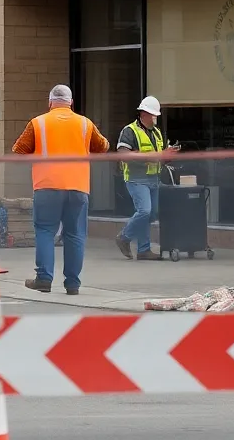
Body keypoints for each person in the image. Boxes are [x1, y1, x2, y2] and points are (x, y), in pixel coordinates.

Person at [11, 84, 109, 295]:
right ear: (71, 103)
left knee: (45, 231)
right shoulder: (85, 124)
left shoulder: (38, 123)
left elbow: (19, 149)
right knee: (75, 234)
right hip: (78, 187)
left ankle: (44, 279)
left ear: (50, 103)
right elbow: (103, 146)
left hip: (46, 186)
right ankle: (73, 284)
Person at [115, 96, 180, 261]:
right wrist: (150, 156)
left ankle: (144, 250)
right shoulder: (129, 131)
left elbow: (159, 156)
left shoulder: (156, 133)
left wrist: (167, 155)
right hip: (136, 179)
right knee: (144, 211)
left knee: (151, 214)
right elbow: (123, 154)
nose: (155, 118)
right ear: (143, 113)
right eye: (152, 115)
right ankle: (124, 237)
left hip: (153, 179)